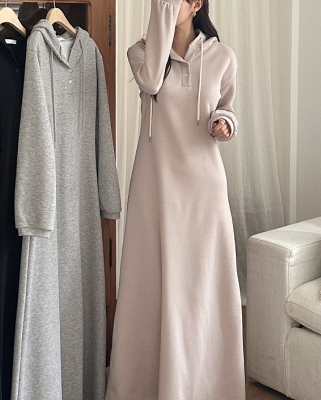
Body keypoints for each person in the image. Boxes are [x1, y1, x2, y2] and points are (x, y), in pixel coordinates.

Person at [105, 0, 245, 399]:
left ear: (196, 3)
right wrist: (162, 22)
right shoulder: (140, 53)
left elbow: (227, 109)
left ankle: (204, 387)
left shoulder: (222, 56)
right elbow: (151, 82)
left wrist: (224, 123)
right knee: (148, 284)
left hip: (203, 191)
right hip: (154, 188)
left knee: (201, 288)